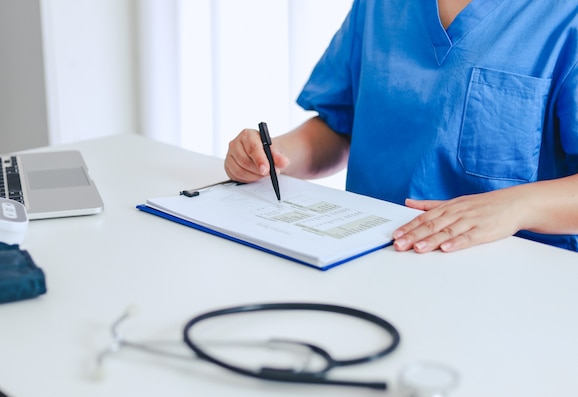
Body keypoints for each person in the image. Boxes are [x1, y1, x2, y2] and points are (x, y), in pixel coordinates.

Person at [224, 0, 578, 254]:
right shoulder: (380, 7)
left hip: (515, 271)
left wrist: (518, 207)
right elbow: (340, 127)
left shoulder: (565, 16)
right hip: (371, 254)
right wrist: (273, 156)